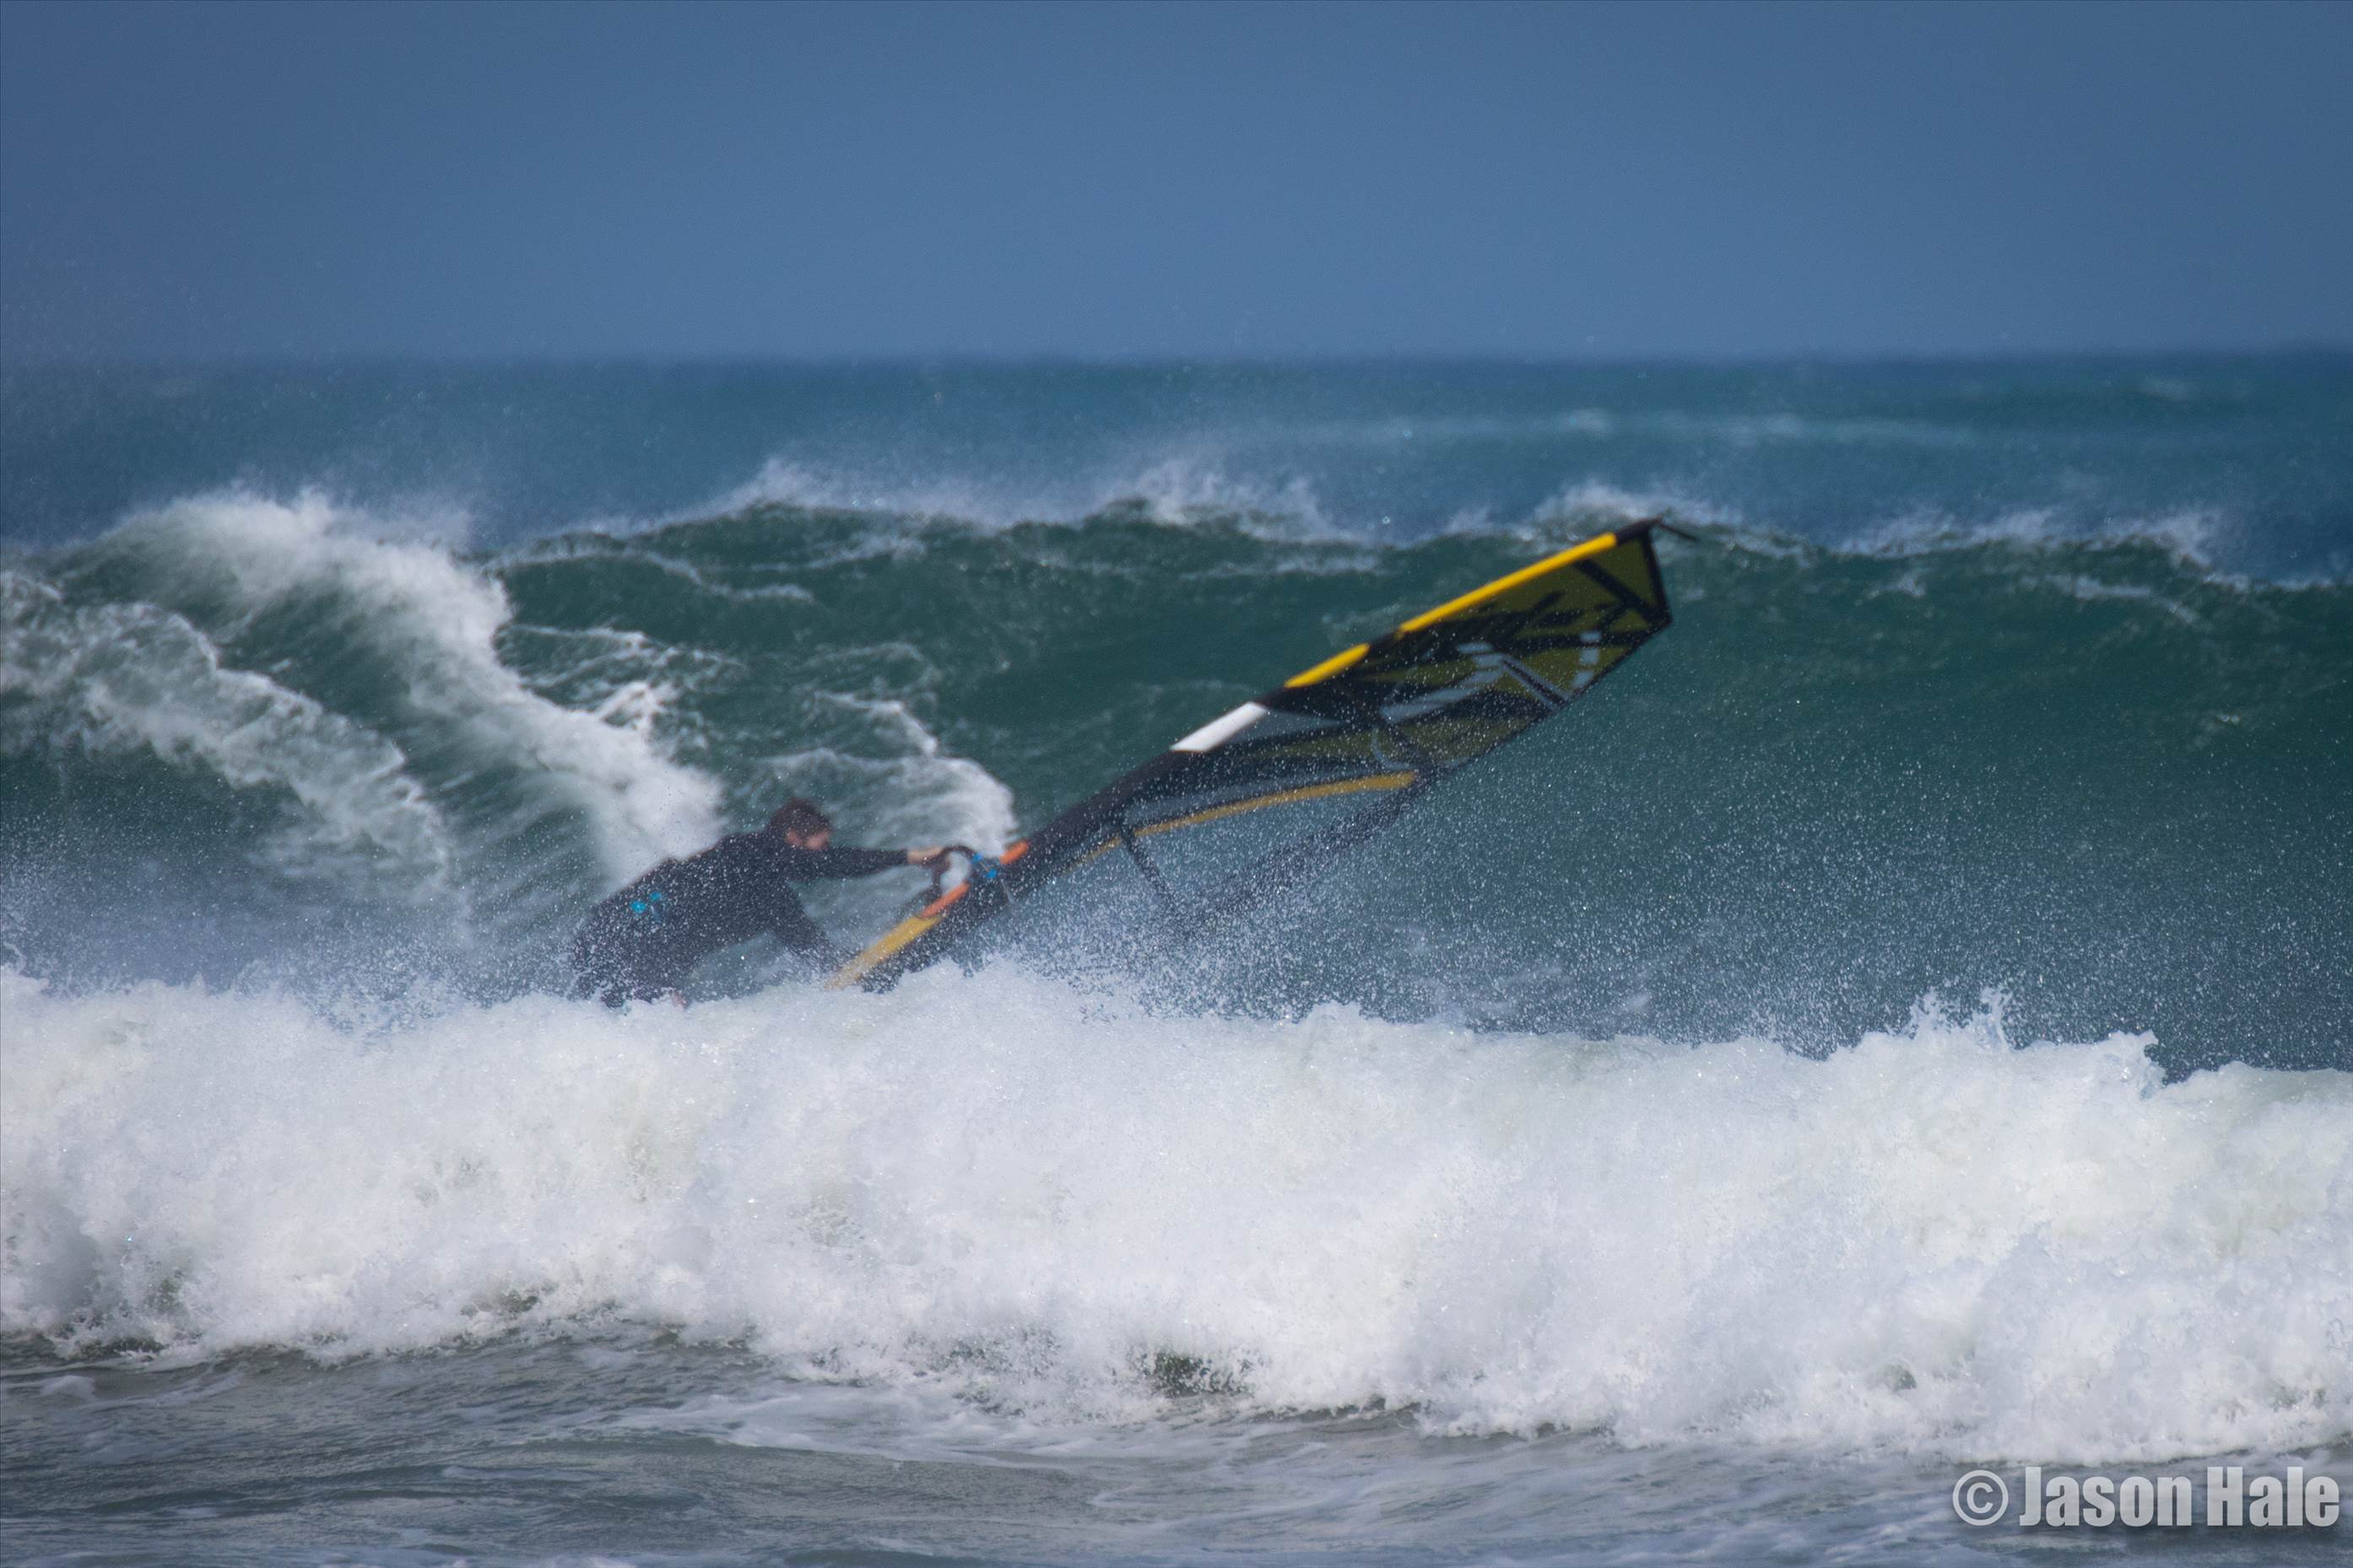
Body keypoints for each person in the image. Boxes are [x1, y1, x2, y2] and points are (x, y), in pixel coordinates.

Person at [569, 798, 946, 1005]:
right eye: (821, 844)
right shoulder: (753, 864)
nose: (825, 853)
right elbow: (828, 869)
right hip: (627, 938)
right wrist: (910, 857)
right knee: (657, 1013)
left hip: (608, 934)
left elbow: (802, 929)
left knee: (619, 1022)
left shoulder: (745, 862)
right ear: (793, 838)